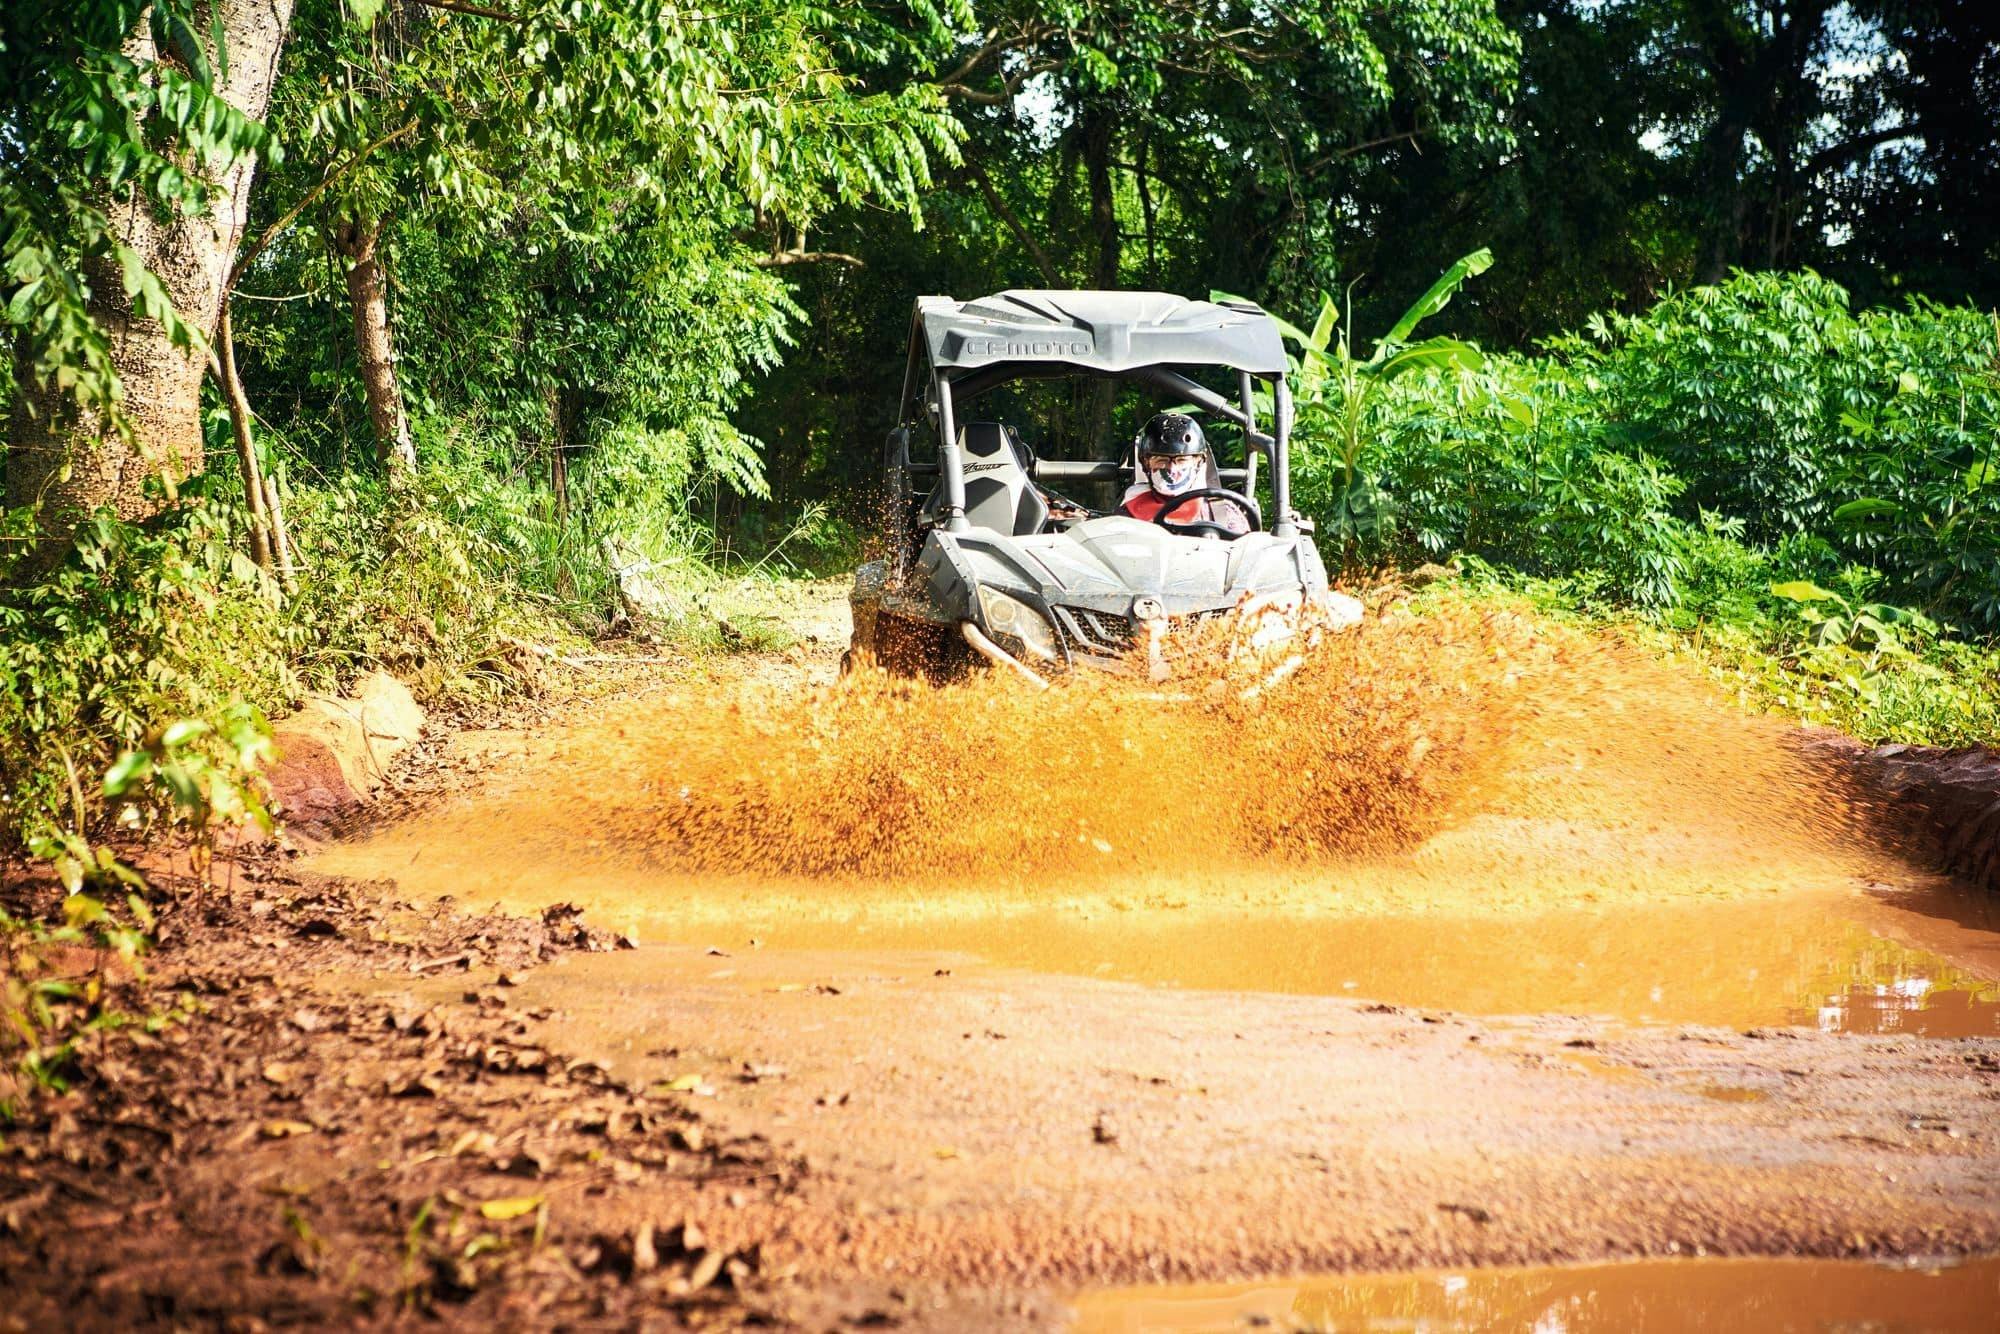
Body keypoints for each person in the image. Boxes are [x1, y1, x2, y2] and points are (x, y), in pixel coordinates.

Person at [1117, 412, 1249, 533]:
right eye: (1162, 460)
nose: (1172, 469)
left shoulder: (1222, 513)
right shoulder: (1126, 515)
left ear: (1198, 462)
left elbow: (1244, 553)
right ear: (1146, 463)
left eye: (1182, 460)